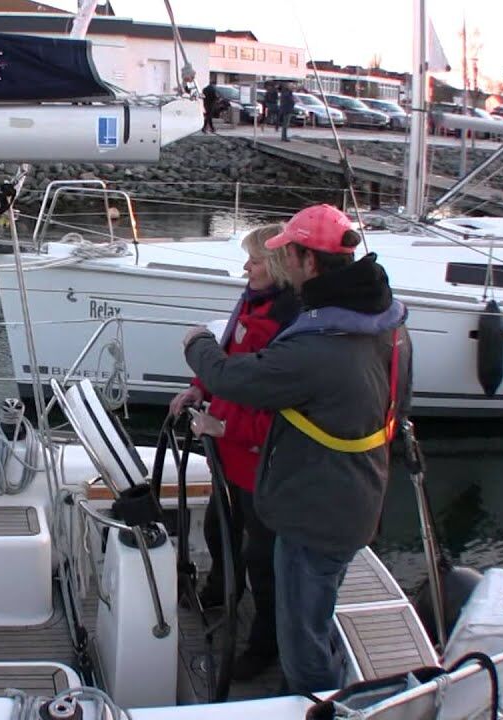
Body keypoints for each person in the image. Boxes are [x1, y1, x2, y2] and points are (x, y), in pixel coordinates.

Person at [181, 204, 412, 694]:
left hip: (314, 513)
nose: (281, 261)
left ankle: (313, 700)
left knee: (300, 638)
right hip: (353, 497)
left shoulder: (317, 344)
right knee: (313, 613)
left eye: (288, 252)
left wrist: (197, 344)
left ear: (308, 260)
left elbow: (232, 377)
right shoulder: (386, 325)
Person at [168, 224, 300, 680]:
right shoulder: (252, 301)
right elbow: (227, 358)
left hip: (263, 466)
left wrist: (224, 426)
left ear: (278, 265)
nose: (246, 268)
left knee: (263, 561)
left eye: (255, 261)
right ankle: (219, 593)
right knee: (218, 530)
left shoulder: (289, 326)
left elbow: (281, 411)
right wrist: (198, 389)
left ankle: (265, 644)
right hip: (229, 456)